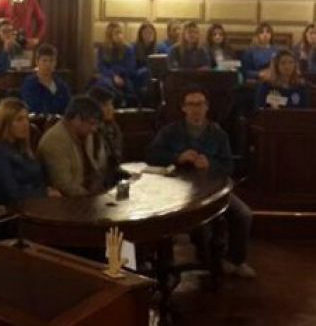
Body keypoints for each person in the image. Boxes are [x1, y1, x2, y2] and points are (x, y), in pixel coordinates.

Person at [146, 85, 255, 278]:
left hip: (214, 191)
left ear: (207, 107)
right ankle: (206, 262)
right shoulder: (171, 131)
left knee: (243, 215)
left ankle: (235, 260)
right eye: (191, 104)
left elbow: (229, 165)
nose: (196, 108)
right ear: (184, 108)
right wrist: (178, 157)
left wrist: (210, 164)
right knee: (200, 224)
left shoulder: (218, 133)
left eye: (200, 104)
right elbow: (152, 155)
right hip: (178, 194)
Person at [0, 98, 52, 204]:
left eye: (27, 119)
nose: (25, 124)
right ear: (5, 123)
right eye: (19, 119)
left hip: (35, 203)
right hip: (14, 211)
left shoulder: (20, 146)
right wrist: (44, 193)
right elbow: (11, 193)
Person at [37, 95, 107, 197]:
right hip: (69, 203)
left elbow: (93, 169)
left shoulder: (85, 134)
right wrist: (93, 198)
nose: (94, 129)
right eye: (92, 124)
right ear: (77, 119)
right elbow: (64, 185)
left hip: (90, 195)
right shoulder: (55, 141)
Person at [86, 86, 124, 187]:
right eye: (105, 105)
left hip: (112, 177)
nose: (110, 109)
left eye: (111, 105)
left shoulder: (113, 128)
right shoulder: (88, 131)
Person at [20, 43, 71, 115]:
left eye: (51, 61)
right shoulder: (30, 84)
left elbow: (68, 107)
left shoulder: (61, 85)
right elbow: (33, 108)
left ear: (55, 62)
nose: (48, 64)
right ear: (37, 62)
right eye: (44, 61)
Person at [95, 22, 137, 105]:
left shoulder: (128, 49)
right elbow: (101, 67)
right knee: (102, 83)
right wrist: (113, 76)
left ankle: (120, 99)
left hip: (124, 78)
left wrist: (118, 74)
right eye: (116, 33)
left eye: (120, 32)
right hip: (108, 77)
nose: (119, 36)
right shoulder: (103, 49)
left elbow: (131, 68)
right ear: (110, 36)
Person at [132, 21, 158, 91]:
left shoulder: (158, 47)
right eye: (146, 33)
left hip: (154, 75)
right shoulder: (134, 47)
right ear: (141, 35)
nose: (149, 35)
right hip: (138, 75)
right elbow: (132, 67)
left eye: (151, 33)